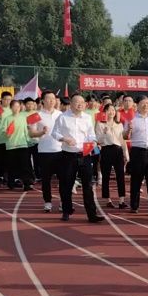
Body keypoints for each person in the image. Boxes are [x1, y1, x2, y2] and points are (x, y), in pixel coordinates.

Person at [50, 94, 103, 223]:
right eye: (77, 102)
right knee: (66, 185)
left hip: (84, 155)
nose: (80, 104)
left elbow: (91, 134)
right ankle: (66, 211)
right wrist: (65, 139)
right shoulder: (63, 117)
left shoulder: (87, 117)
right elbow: (54, 133)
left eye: (82, 102)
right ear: (71, 103)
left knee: (88, 186)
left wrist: (94, 142)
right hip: (68, 155)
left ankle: (92, 214)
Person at [125, 95, 148, 216]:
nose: (146, 105)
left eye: (147, 103)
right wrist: (129, 130)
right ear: (137, 105)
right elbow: (125, 136)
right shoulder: (132, 119)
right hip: (138, 152)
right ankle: (134, 206)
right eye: (143, 103)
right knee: (136, 180)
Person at [28, 91, 62, 212]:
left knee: (63, 179)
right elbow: (31, 133)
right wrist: (41, 132)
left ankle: (63, 201)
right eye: (48, 98)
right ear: (42, 100)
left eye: (53, 98)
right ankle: (47, 202)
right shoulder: (35, 115)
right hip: (44, 151)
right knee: (46, 180)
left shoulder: (61, 114)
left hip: (60, 151)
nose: (52, 101)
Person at [95, 103, 129, 209]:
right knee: (106, 176)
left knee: (120, 175)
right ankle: (108, 200)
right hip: (106, 150)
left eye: (113, 110)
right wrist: (104, 133)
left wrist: (126, 154)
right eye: (109, 110)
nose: (111, 112)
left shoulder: (119, 125)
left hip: (118, 150)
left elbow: (122, 140)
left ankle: (121, 200)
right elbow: (98, 140)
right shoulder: (100, 124)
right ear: (105, 112)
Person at [0, 99, 34, 191]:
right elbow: (3, 131)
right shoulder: (7, 119)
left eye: (18, 106)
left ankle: (26, 184)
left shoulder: (23, 118)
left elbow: (26, 131)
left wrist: (29, 139)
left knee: (25, 165)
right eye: (15, 106)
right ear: (11, 108)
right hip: (11, 146)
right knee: (12, 165)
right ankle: (11, 183)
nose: (17, 108)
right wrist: (7, 133)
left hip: (22, 145)